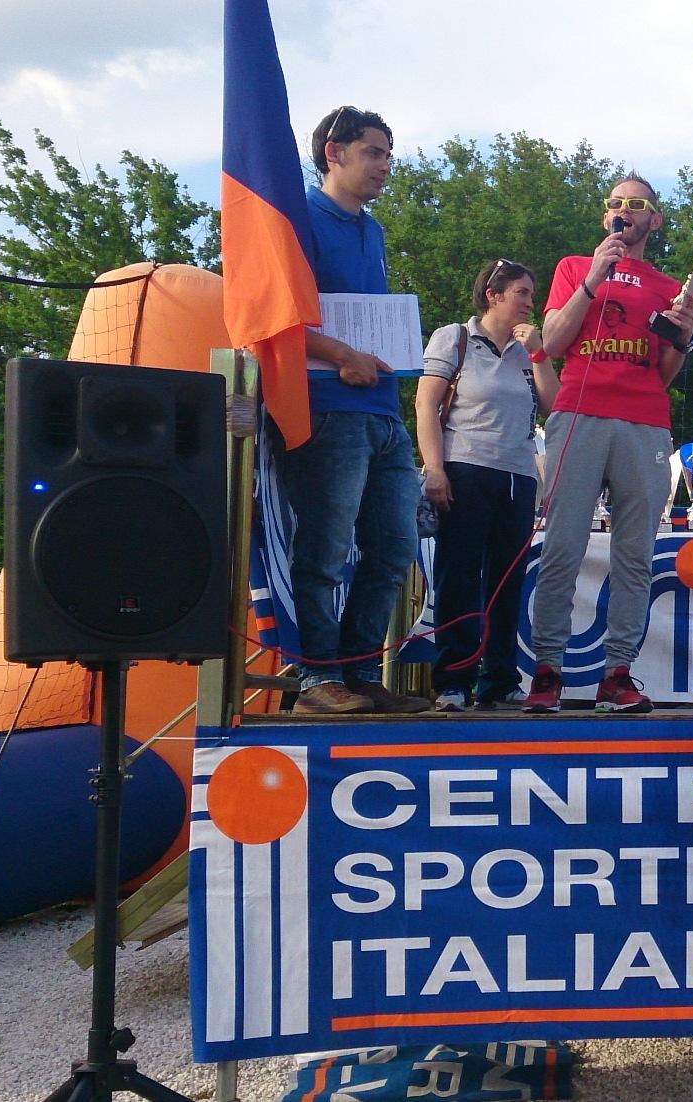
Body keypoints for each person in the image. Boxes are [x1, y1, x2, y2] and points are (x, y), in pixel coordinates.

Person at [272, 105, 428, 715]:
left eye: (388, 154)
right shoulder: (297, 220)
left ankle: (359, 672)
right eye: (374, 153)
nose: (385, 166)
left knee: (394, 546)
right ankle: (315, 678)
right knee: (326, 546)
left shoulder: (373, 229)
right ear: (333, 153)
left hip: (383, 409)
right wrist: (341, 353)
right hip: (328, 408)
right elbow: (273, 313)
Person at [523, 174, 693, 714]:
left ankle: (617, 673)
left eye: (636, 203)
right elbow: (551, 342)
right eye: (615, 202)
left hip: (643, 420)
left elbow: (663, 374)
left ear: (655, 219)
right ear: (606, 216)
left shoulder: (670, 285)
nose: (624, 210)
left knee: (634, 554)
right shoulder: (575, 267)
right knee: (563, 544)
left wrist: (685, 335)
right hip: (579, 411)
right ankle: (547, 670)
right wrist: (594, 278)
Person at [416, 260, 557, 711]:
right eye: (521, 292)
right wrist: (434, 467)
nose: (529, 303)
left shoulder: (527, 350)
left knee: (507, 578)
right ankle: (453, 678)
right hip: (466, 467)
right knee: (459, 573)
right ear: (493, 295)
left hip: (517, 474)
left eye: (531, 294)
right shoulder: (454, 337)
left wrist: (538, 352)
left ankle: (499, 678)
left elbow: (554, 406)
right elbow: (426, 403)